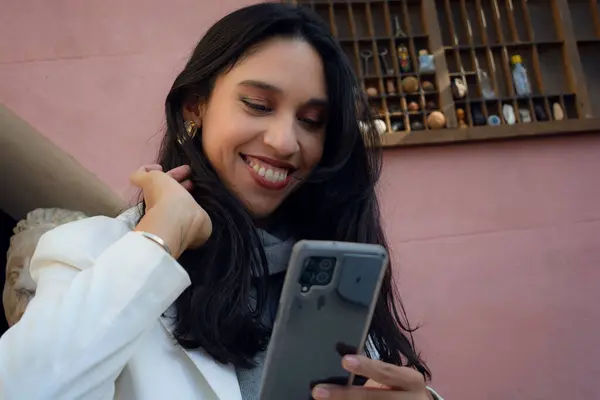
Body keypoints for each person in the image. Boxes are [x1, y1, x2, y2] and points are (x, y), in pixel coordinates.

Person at [0, 3, 442, 400]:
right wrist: (160, 237)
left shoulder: (336, 265)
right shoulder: (93, 253)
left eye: (311, 120)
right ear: (195, 107)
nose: (286, 141)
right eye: (257, 104)